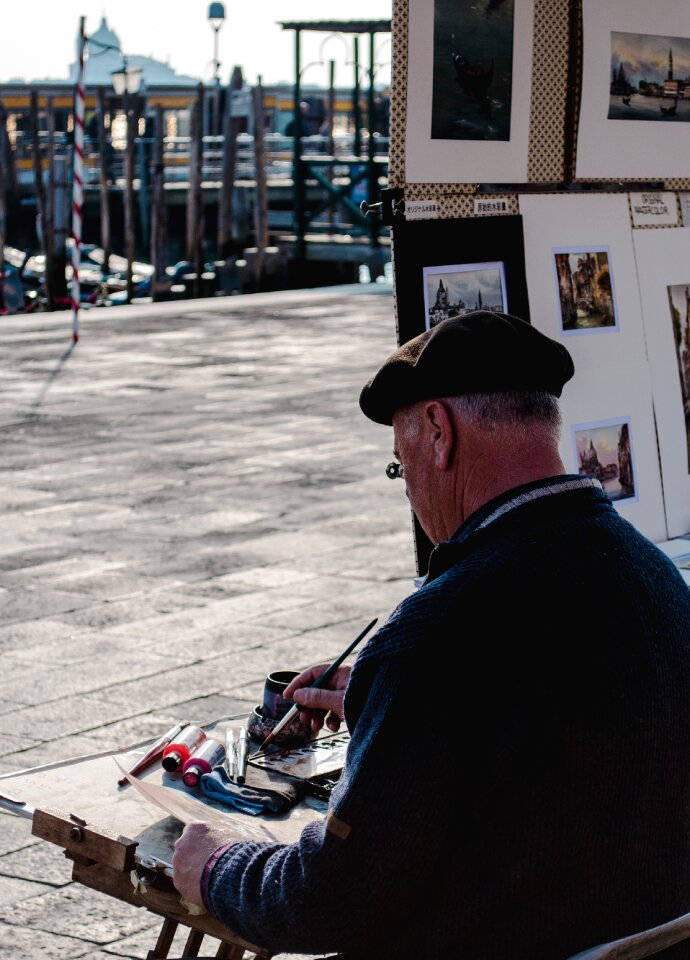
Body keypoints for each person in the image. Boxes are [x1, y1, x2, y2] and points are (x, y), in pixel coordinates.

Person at [173, 310, 690, 960]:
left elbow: (331, 900)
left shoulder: (435, 634)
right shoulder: (653, 577)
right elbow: (554, 714)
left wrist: (215, 868)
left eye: (400, 464)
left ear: (439, 433)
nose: (410, 488)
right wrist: (381, 696)